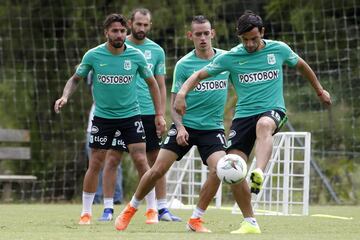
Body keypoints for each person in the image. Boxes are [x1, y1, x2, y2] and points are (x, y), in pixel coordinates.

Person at [174, 10, 332, 233]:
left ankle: (258, 171)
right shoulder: (230, 57)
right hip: (243, 117)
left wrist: (320, 91)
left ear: (263, 33)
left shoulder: (279, 49)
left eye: (254, 39)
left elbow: (302, 66)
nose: (249, 44)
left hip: (273, 110)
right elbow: (199, 75)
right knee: (233, 168)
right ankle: (250, 222)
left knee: (264, 125)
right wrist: (181, 94)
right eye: (245, 39)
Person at [114, 15, 260, 234]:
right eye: (198, 34)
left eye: (206, 33)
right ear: (190, 36)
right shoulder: (184, 65)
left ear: (213, 33)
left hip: (212, 129)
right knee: (158, 169)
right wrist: (180, 127)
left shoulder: (226, 59)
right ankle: (130, 208)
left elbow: (244, 77)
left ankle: (196, 219)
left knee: (219, 169)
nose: (202, 38)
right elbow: (175, 103)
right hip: (186, 126)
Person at [54, 13, 166, 225]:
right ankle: (86, 212)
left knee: (141, 160)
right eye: (114, 31)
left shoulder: (135, 56)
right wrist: (65, 96)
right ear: (106, 32)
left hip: (131, 115)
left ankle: (151, 209)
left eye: (122, 31)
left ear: (126, 32)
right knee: (96, 162)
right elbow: (75, 79)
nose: (119, 35)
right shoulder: (93, 55)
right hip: (103, 117)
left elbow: (153, 83)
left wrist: (159, 114)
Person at [97, 8, 180, 222]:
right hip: (122, 113)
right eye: (138, 24)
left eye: (146, 25)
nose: (141, 28)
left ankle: (161, 208)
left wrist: (160, 114)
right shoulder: (118, 46)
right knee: (113, 158)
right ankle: (108, 209)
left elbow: (160, 85)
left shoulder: (157, 51)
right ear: (130, 24)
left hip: (149, 113)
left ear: (150, 26)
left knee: (155, 161)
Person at [84, 72, 124, 208]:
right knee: (95, 163)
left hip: (117, 121)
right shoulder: (92, 70)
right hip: (95, 124)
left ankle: (116, 198)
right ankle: (95, 198)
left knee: (114, 162)